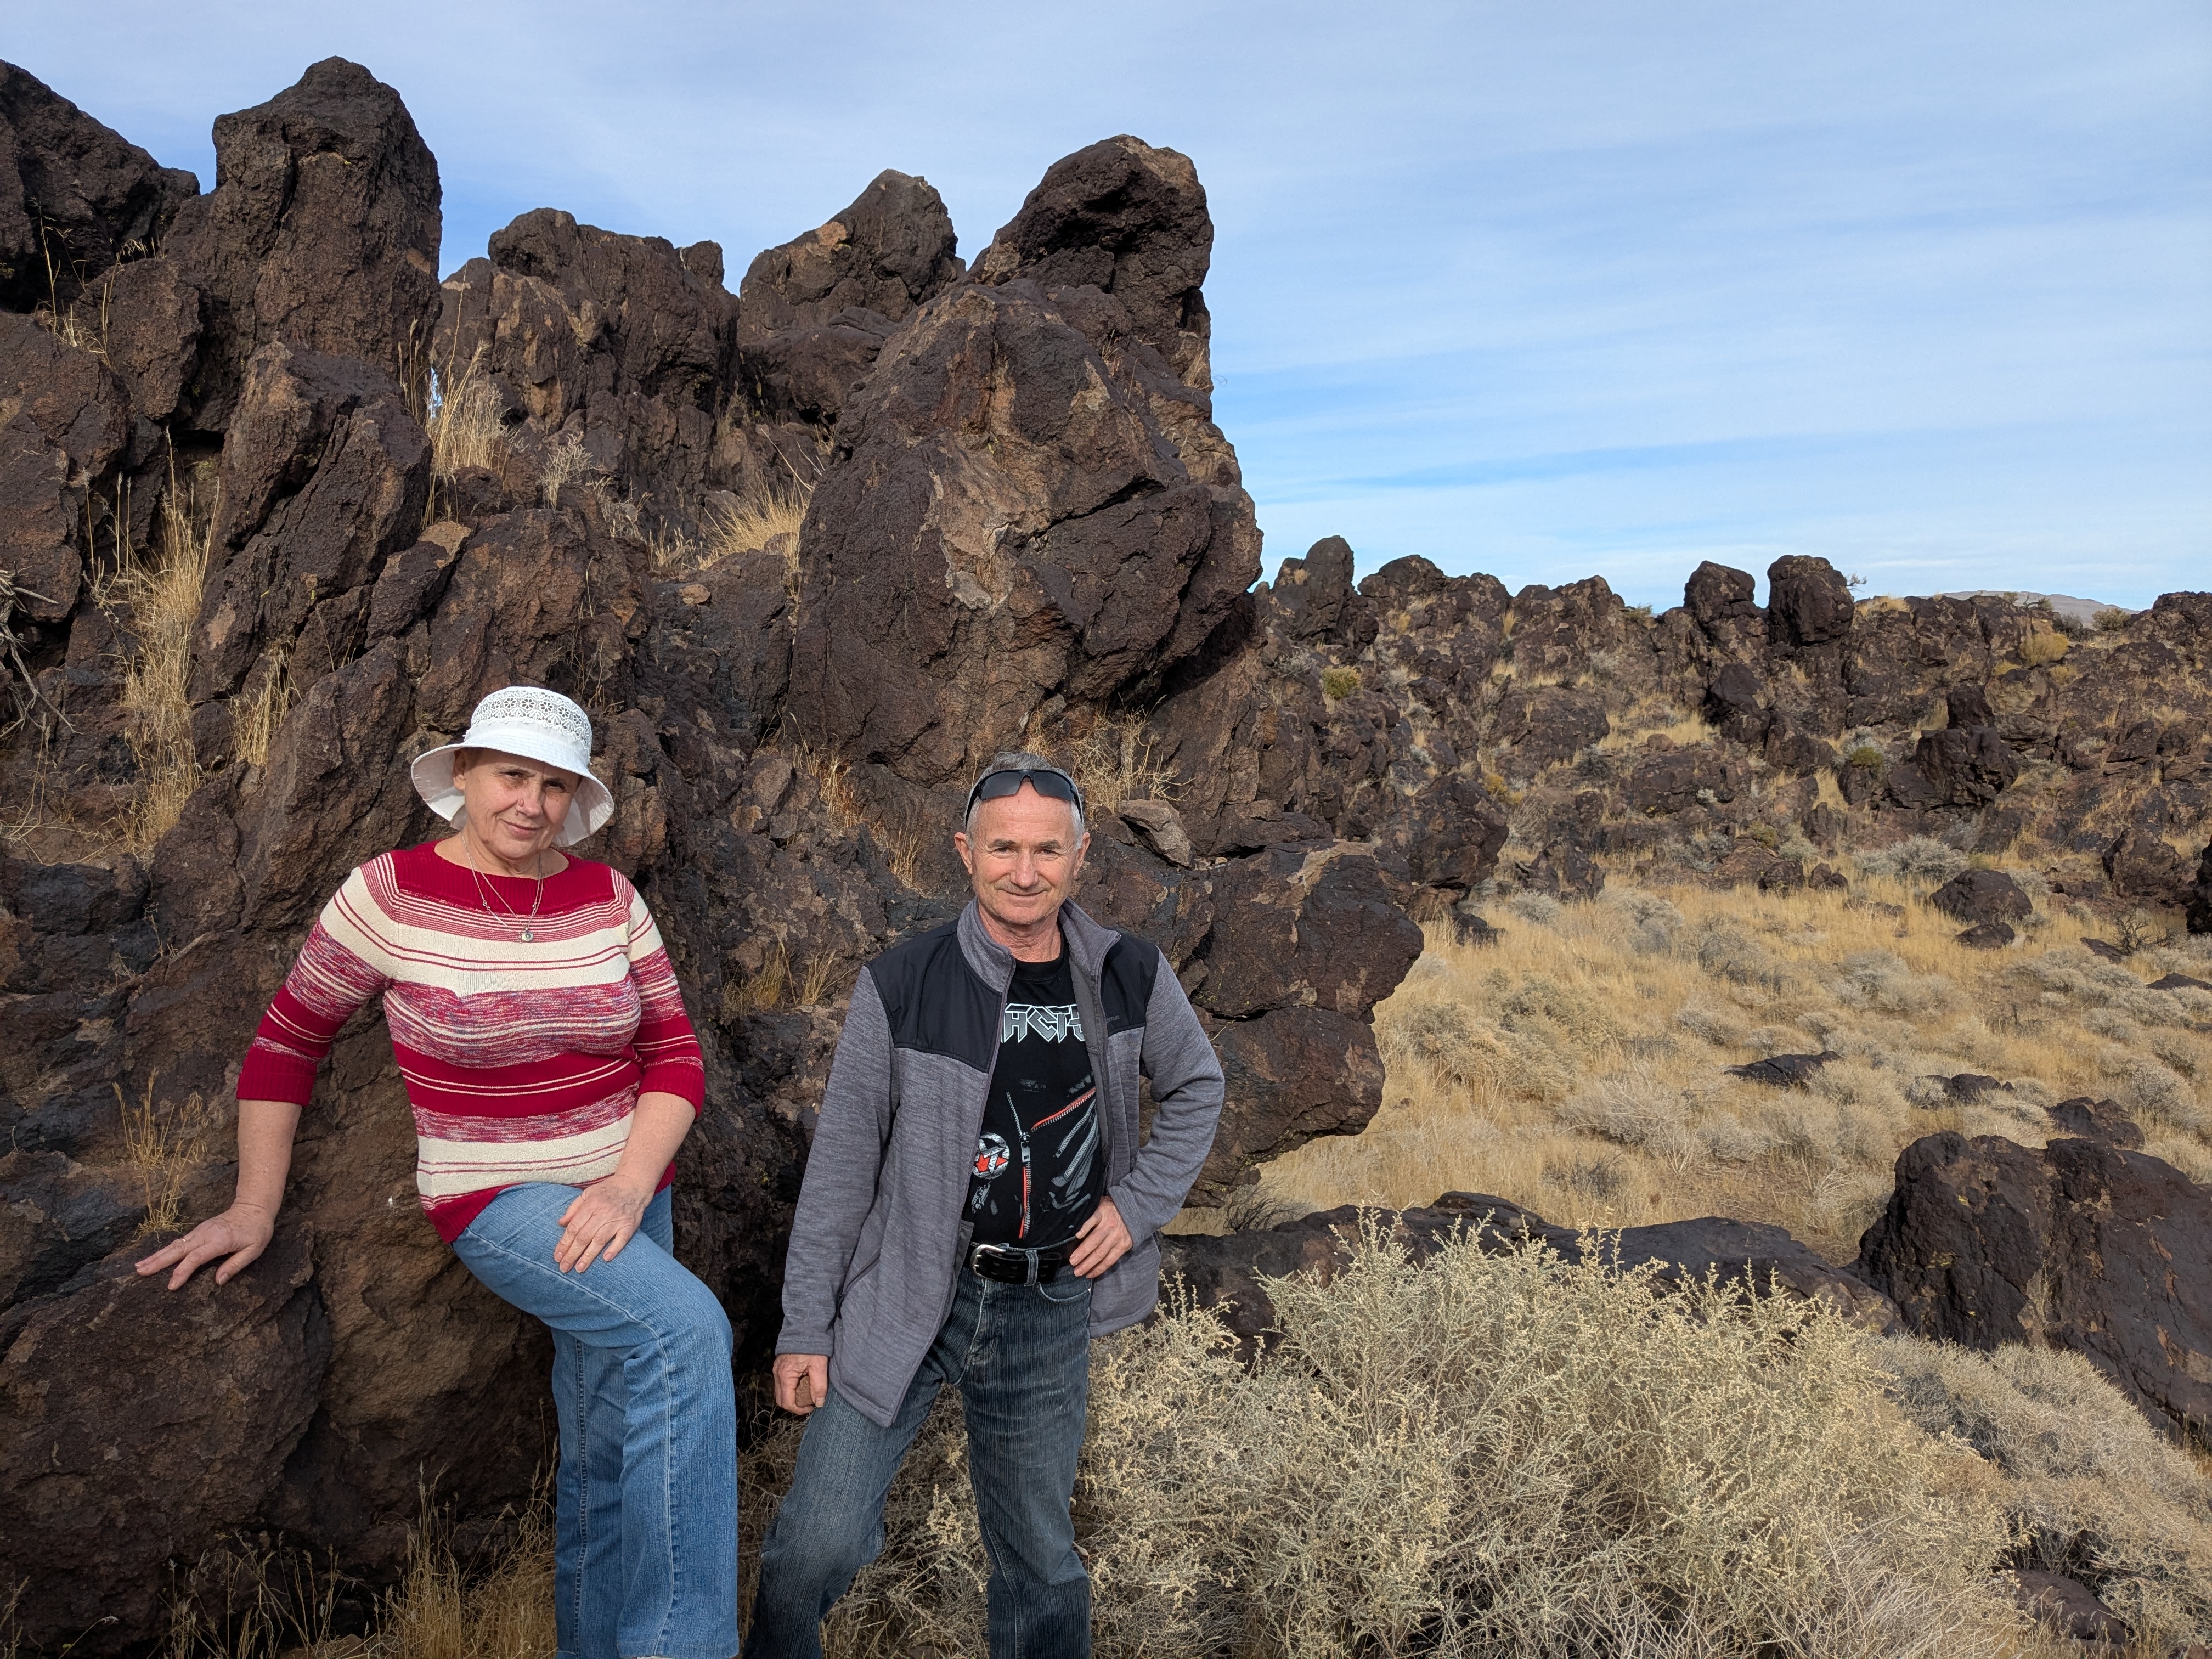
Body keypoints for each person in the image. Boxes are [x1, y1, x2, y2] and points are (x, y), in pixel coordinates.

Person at [136, 685, 738, 1659]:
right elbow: (290, 1041)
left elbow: (673, 1050)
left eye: (553, 786)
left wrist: (630, 1185)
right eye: (511, 776)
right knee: (687, 1336)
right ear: (463, 777)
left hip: (632, 1193)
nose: (531, 805)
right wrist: (253, 1207)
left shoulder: (608, 896)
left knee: (603, 1449)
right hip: (498, 1198)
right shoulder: (388, 894)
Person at [750, 752, 1225, 1659]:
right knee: (816, 1542)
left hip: (1049, 1305)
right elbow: (843, 1168)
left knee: (1040, 1565)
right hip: (910, 1295)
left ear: (1080, 857)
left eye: (1047, 850)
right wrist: (805, 1326)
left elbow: (1200, 1087)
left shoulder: (1130, 972)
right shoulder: (903, 982)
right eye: (1003, 847)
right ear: (965, 851)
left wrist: (1134, 1207)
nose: (1024, 870)